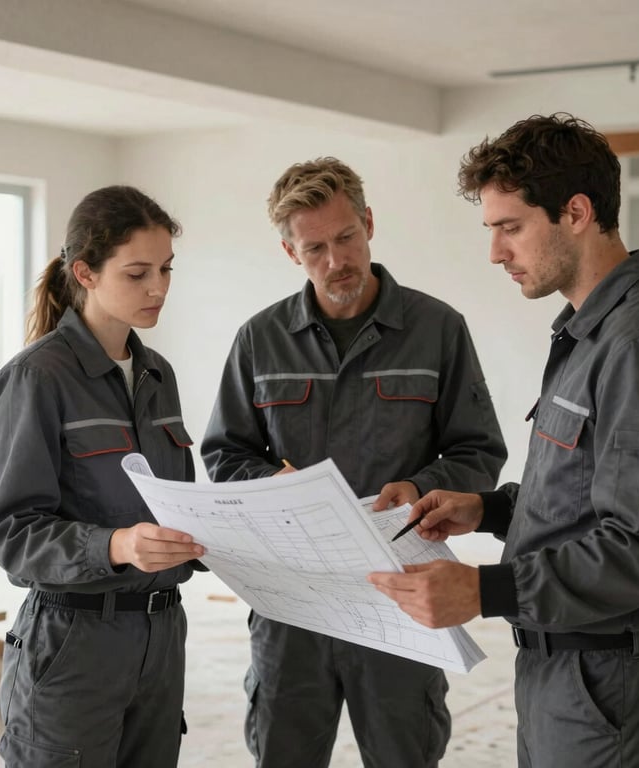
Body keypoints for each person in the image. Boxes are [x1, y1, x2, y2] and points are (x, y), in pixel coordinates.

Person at [368, 114, 639, 768]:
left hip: (614, 681)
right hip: (567, 672)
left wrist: (484, 590)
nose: (496, 252)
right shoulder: (590, 333)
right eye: (492, 230)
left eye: (511, 227)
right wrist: (491, 509)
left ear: (577, 212)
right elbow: (588, 495)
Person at [201, 157, 506, 768]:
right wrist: (270, 485)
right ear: (291, 252)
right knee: (283, 752)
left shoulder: (438, 329)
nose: (336, 260)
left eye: (347, 237)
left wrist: (421, 486)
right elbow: (224, 456)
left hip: (400, 593)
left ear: (369, 223)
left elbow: (480, 452)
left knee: (404, 753)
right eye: (315, 247)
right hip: (292, 600)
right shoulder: (259, 339)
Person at [0, 185, 206, 768]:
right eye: (137, 273)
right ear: (84, 272)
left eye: (165, 269)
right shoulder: (37, 378)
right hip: (73, 643)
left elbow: (176, 505)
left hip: (161, 641)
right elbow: (13, 537)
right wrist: (117, 545)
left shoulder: (160, 374)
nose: (158, 287)